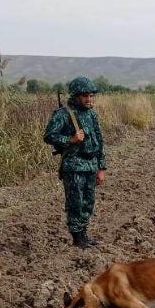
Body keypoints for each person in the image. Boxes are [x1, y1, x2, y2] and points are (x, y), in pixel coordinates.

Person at [43, 76, 106, 248]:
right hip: (74, 166)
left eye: (91, 96)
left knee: (88, 202)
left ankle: (83, 234)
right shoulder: (64, 114)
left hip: (91, 165)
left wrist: (101, 167)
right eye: (85, 96)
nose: (89, 99)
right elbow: (49, 136)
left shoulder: (91, 114)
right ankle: (77, 238)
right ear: (76, 96)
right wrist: (70, 139)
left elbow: (99, 141)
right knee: (76, 203)